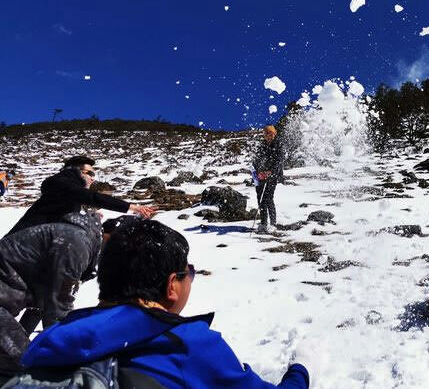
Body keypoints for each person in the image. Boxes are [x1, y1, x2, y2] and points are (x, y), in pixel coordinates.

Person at [19, 219, 310, 389]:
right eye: (189, 273)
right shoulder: (188, 345)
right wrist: (300, 371)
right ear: (172, 285)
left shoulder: (50, 339)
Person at [0, 211, 103, 379]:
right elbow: (59, 304)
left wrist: (25, 337)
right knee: (27, 366)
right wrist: (64, 352)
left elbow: (43, 303)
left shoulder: (75, 238)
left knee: (25, 360)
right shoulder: (75, 243)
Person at [6, 156, 155, 236]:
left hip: (28, 249)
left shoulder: (67, 191)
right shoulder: (62, 182)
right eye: (90, 173)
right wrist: (132, 207)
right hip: (16, 247)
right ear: (77, 171)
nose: (93, 178)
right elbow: (91, 197)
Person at [252, 126, 284, 232]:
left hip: (272, 175)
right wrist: (258, 172)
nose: (268, 136)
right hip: (261, 175)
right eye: (266, 134)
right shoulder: (262, 145)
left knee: (268, 198)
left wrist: (270, 172)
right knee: (260, 199)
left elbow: (279, 161)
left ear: (274, 134)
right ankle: (263, 223)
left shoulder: (278, 144)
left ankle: (273, 224)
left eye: (270, 134)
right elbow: (257, 160)